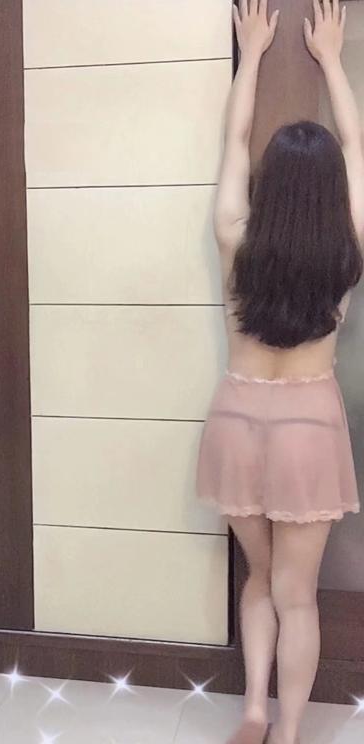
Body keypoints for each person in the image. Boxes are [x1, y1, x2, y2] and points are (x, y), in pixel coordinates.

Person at [195, 2, 364, 743]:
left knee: (258, 577)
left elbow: (233, 140)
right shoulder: (346, 248)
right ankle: (289, 732)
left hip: (236, 418)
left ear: (268, 183)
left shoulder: (233, 236)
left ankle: (254, 713)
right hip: (306, 425)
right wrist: (331, 59)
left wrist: (254, 55)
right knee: (298, 595)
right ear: (330, 192)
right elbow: (356, 145)